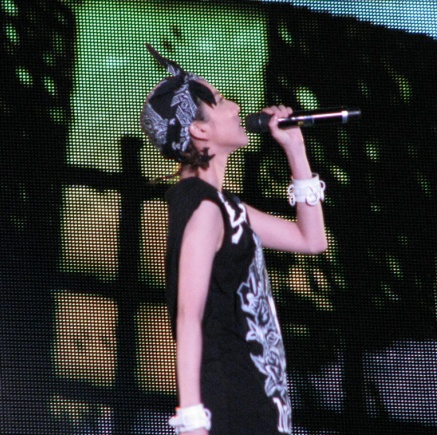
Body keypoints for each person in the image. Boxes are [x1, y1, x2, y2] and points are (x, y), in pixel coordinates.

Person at [140, 44, 327, 435]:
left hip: (258, 403)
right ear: (200, 130)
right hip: (231, 407)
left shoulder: (226, 207)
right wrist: (192, 420)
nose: (237, 107)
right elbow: (188, 316)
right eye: (222, 101)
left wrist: (295, 149)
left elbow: (311, 239)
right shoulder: (203, 209)